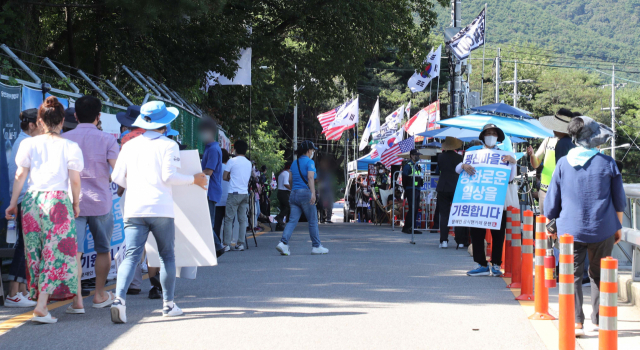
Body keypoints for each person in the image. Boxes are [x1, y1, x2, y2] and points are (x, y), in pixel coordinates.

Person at [110, 101, 208, 323]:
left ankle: (119, 300)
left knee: (131, 256)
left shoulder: (129, 145)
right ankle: (169, 304)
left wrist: (134, 183)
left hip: (134, 208)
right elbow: (169, 177)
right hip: (160, 208)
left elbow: (116, 177)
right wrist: (194, 179)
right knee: (166, 256)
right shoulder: (168, 145)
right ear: (165, 123)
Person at [544, 116, 625, 336]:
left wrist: (550, 224)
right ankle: (599, 320)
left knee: (572, 274)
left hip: (569, 229)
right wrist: (617, 226)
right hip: (603, 227)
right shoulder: (607, 163)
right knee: (599, 274)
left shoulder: (562, 163)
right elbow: (619, 201)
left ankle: (575, 321)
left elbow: (551, 202)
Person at [5, 96, 83, 323]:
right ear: (61, 122)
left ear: (40, 121)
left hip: (31, 201)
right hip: (57, 202)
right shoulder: (70, 146)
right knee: (54, 252)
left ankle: (41, 300)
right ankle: (41, 305)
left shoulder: (28, 144)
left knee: (35, 252)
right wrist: (76, 203)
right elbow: (75, 180)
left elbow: (20, 175)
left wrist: (13, 202)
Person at [63, 95, 119, 310]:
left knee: (74, 252)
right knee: (103, 249)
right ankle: (99, 295)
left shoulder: (65, 139)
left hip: (71, 202)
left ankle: (77, 301)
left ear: (75, 116)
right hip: (100, 202)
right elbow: (118, 170)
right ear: (98, 116)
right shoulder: (107, 139)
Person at [457, 124, 517, 277]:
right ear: (483, 136)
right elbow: (458, 169)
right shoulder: (475, 153)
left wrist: (513, 162)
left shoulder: (505, 155)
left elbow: (510, 178)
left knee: (498, 234)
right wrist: (463, 165)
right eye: (488, 133)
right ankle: (481, 264)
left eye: (494, 133)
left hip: (497, 200)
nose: (491, 136)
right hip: (478, 200)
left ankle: (496, 264)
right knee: (477, 233)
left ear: (498, 137)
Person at [4, 109, 40, 308]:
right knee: (24, 245)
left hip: (23, 199)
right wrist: (16, 201)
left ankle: (21, 290)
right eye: (41, 123)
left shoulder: (24, 142)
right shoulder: (25, 143)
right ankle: (13, 293)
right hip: (25, 199)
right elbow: (17, 177)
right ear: (32, 125)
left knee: (27, 245)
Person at [276, 140, 328, 256]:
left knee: (292, 221)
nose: (313, 152)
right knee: (313, 221)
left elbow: (290, 180)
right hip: (305, 194)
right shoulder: (310, 162)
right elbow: (310, 178)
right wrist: (313, 193)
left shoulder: (294, 163)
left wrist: (295, 190)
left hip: (294, 194)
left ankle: (283, 243)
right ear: (309, 150)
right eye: (313, 150)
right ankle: (316, 246)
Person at [526, 108, 575, 214]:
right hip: (545, 190)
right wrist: (532, 155)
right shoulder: (548, 140)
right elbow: (536, 164)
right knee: (545, 223)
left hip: (560, 190)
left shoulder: (571, 143)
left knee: (553, 224)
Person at [199, 118, 226, 257]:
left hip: (210, 190)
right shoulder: (210, 148)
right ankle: (215, 247)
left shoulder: (214, 149)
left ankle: (218, 246)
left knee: (207, 222)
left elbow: (209, 171)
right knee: (207, 221)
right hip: (209, 189)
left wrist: (192, 176)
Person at [222, 140, 252, 251]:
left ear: (235, 149)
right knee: (242, 220)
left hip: (234, 193)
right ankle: (240, 243)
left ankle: (226, 244)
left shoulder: (232, 161)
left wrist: (231, 178)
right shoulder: (248, 163)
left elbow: (225, 177)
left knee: (229, 219)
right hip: (244, 193)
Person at [436, 137, 463, 249]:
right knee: (459, 214)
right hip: (456, 186)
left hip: (443, 186)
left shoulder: (440, 157)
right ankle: (460, 241)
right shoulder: (460, 157)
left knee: (444, 215)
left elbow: (438, 170)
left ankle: (444, 240)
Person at [402, 149, 423, 234]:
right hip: (410, 189)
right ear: (411, 156)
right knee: (412, 208)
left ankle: (412, 228)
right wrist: (406, 190)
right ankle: (406, 227)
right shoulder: (408, 166)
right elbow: (404, 179)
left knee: (416, 208)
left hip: (417, 189)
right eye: (416, 155)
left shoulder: (417, 166)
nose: (417, 156)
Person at [214, 149, 231, 241]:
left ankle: (217, 242)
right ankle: (226, 242)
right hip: (228, 199)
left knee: (217, 223)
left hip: (217, 199)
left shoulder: (214, 168)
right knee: (228, 223)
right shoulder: (228, 169)